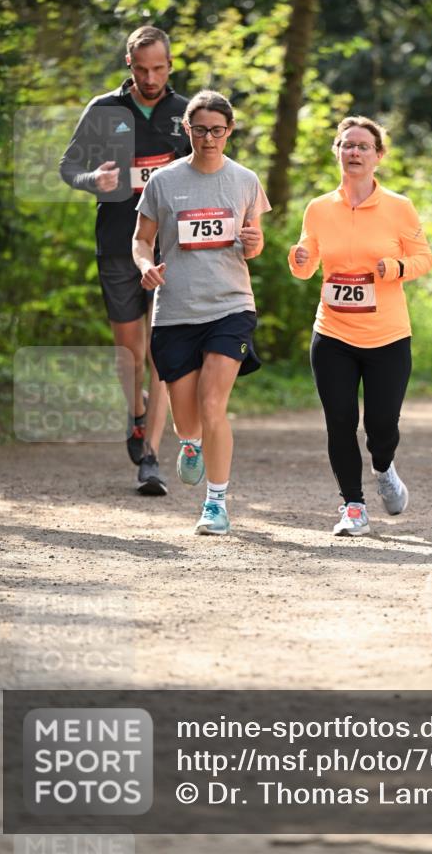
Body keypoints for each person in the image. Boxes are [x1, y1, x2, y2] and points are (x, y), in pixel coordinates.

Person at [132, 90, 271, 535]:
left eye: (217, 130)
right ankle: (190, 444)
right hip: (175, 311)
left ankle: (216, 503)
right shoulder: (163, 182)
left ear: (229, 132)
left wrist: (254, 244)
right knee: (187, 418)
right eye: (199, 129)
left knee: (214, 403)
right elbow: (140, 238)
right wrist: (145, 265)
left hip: (230, 305)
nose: (208, 138)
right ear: (186, 130)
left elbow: (255, 239)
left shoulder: (246, 180)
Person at [60, 26, 190, 496]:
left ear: (170, 65)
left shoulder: (185, 114)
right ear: (128, 66)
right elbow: (67, 167)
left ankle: (151, 457)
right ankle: (136, 415)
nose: (151, 77)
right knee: (130, 353)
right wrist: (93, 177)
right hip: (117, 244)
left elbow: (207, 172)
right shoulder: (104, 110)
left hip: (170, 249)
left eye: (159, 68)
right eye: (142, 69)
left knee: (161, 352)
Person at [288, 116, 432, 537]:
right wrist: (299, 260)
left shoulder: (398, 207)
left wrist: (396, 268)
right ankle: (353, 505)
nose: (354, 152)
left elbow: (424, 258)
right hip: (332, 334)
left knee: (382, 425)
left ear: (378, 156)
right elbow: (308, 262)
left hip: (387, 336)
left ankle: (384, 467)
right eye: (347, 145)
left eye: (363, 146)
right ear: (337, 151)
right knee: (339, 420)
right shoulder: (318, 208)